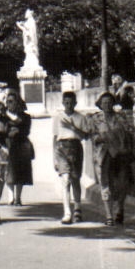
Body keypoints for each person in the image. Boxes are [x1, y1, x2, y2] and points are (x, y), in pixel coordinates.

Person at [89, 90, 135, 225]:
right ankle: (109, 215)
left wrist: (120, 138)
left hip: (120, 154)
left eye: (109, 102)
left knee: (123, 183)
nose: (107, 105)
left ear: (113, 104)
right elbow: (93, 136)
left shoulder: (120, 118)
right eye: (104, 103)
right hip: (104, 155)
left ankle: (120, 208)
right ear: (100, 104)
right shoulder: (96, 119)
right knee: (105, 184)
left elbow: (129, 132)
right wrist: (104, 137)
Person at [52, 90, 89, 224]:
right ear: (63, 103)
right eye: (66, 102)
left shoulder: (81, 117)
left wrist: (72, 127)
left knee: (75, 179)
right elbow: (55, 138)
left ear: (75, 103)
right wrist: (54, 158)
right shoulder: (58, 118)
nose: (68, 105)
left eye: (71, 103)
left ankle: (77, 209)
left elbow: (85, 136)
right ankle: (67, 212)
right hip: (61, 148)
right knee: (65, 180)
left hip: (75, 147)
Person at [0, 92, 34, 207]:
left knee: (21, 172)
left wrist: (17, 132)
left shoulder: (25, 117)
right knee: (8, 170)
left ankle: (18, 198)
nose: (9, 104)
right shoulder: (3, 117)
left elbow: (27, 131)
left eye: (11, 101)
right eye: (7, 101)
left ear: (17, 102)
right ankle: (11, 197)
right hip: (8, 145)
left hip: (21, 145)